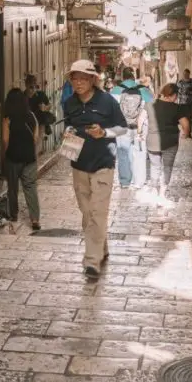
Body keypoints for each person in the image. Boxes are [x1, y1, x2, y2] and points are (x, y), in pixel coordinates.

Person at [63, 59, 127, 279]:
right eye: (74, 78)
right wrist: (68, 132)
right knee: (88, 212)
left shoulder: (107, 101)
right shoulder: (69, 103)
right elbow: (68, 125)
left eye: (83, 78)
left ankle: (91, 262)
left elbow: (122, 128)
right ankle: (102, 247)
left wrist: (104, 133)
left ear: (92, 80)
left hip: (103, 163)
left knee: (98, 212)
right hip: (78, 164)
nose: (78, 82)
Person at [139, 83, 192, 195]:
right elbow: (186, 124)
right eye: (176, 96)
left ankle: (154, 187)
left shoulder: (149, 104)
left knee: (154, 166)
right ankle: (163, 189)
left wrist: (139, 132)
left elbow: (141, 119)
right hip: (170, 143)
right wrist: (185, 134)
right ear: (172, 95)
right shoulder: (177, 108)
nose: (176, 98)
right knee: (167, 167)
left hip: (152, 142)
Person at [1, 88, 41, 230]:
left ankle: (14, 214)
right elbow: (35, 138)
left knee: (13, 187)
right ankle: (35, 219)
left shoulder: (8, 119)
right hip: (29, 158)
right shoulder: (31, 116)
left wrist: (4, 154)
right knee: (30, 187)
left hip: (13, 158)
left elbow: (5, 140)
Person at [109, 68, 154, 188]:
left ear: (123, 77)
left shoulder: (115, 91)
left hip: (122, 127)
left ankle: (125, 182)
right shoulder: (144, 90)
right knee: (140, 153)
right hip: (140, 128)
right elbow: (151, 108)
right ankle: (139, 182)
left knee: (123, 153)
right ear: (134, 77)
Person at [176, 68, 192, 134]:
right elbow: (177, 92)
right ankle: (184, 131)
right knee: (183, 117)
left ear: (189, 74)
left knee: (189, 117)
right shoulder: (180, 82)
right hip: (182, 103)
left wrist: (190, 91)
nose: (185, 75)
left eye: (186, 74)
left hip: (190, 102)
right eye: (184, 74)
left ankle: (189, 131)